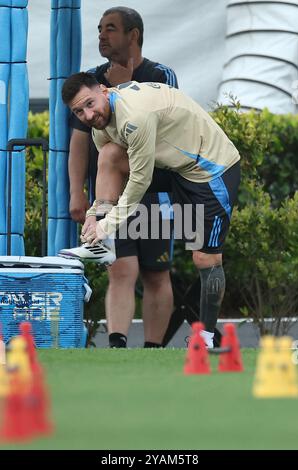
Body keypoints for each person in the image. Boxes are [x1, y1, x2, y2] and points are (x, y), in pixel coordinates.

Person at [60, 74, 241, 349]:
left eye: (89, 103)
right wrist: (94, 216)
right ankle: (107, 245)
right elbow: (112, 173)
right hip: (175, 168)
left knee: (205, 259)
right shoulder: (100, 126)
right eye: (78, 111)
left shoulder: (135, 117)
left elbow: (140, 182)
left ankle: (207, 337)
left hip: (210, 171)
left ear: (104, 90)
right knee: (109, 155)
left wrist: (106, 225)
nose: (87, 114)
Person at [67, 7, 178, 348]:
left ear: (133, 35)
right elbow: (80, 141)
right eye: (100, 28)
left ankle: (154, 349)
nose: (101, 34)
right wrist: (76, 193)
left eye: (110, 28)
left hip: (155, 191)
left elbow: (162, 129)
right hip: (111, 193)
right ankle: (117, 345)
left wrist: (122, 87)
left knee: (156, 272)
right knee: (120, 270)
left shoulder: (161, 74)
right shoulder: (90, 82)